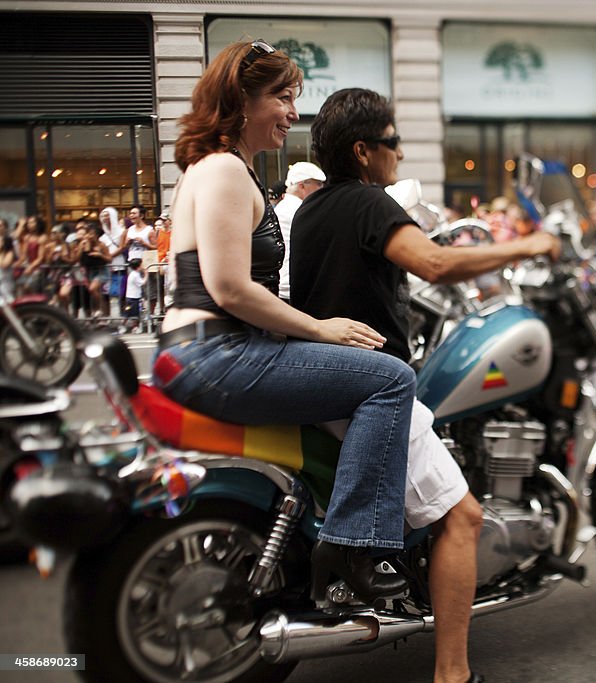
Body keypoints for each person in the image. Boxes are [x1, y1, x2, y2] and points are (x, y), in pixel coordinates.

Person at [291, 87, 560, 683]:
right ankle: (453, 674)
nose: (401, 154)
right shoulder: (369, 203)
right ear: (363, 151)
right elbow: (433, 264)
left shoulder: (313, 209)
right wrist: (527, 244)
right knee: (462, 517)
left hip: (327, 382)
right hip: (370, 391)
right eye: (392, 142)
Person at [154, 40, 415, 604]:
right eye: (282, 97)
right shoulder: (224, 169)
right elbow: (229, 288)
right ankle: (355, 544)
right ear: (239, 100)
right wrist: (322, 329)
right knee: (392, 378)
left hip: (205, 349)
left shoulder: (219, 169)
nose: (293, 113)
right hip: (216, 352)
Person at [274, 161, 325, 303]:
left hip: (285, 286)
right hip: (292, 288)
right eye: (319, 184)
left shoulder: (285, 207)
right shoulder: (299, 210)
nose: (322, 189)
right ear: (302, 186)